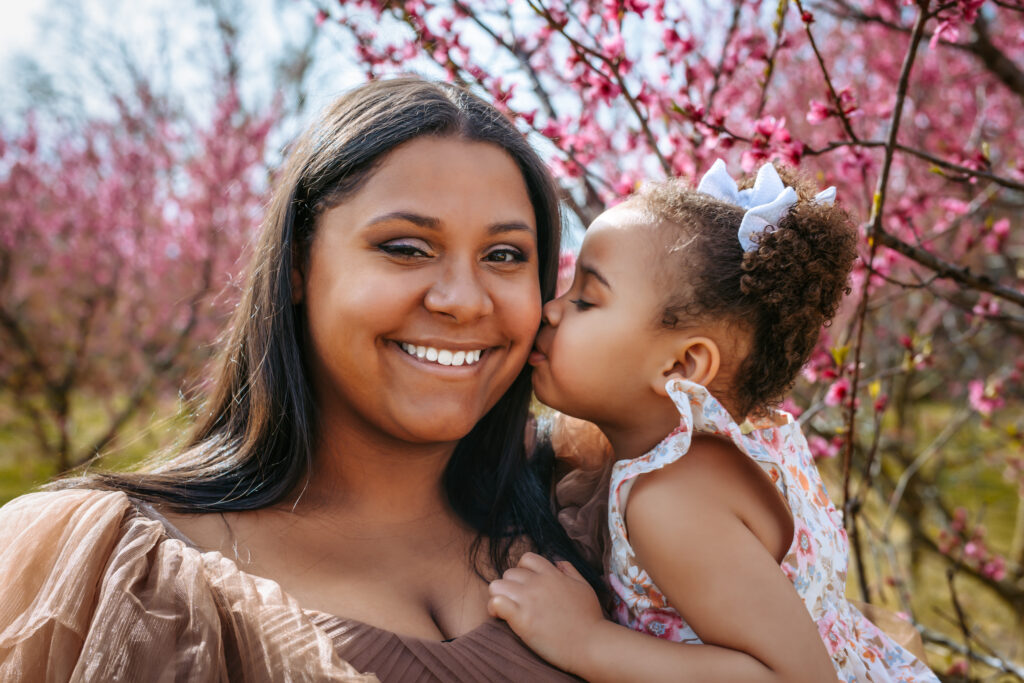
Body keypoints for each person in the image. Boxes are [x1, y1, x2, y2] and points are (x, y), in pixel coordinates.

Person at [0, 77, 603, 681]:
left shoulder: (601, 508)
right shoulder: (115, 568)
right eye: (407, 247)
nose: (464, 301)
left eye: (504, 256)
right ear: (295, 265)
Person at [487, 160, 940, 682]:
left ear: (681, 366)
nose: (551, 310)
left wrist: (585, 641)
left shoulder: (673, 499)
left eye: (586, 299)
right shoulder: (701, 459)